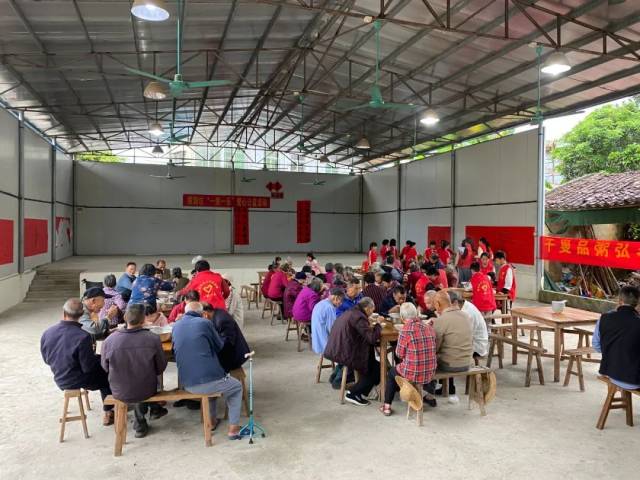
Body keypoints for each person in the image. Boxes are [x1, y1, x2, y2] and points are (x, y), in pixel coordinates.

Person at [172, 302, 243, 439]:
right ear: (202, 313)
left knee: (211, 383)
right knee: (236, 387)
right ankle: (234, 428)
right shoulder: (205, 323)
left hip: (187, 383)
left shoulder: (176, 325)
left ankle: (212, 420)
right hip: (208, 381)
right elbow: (219, 346)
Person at [41, 298, 114, 426]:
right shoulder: (83, 336)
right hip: (78, 379)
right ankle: (109, 410)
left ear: (64, 313)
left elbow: (47, 360)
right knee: (107, 373)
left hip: (59, 377)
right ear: (81, 315)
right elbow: (88, 368)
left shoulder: (47, 333)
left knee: (100, 361)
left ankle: (110, 408)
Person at [101, 304, 168, 438]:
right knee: (141, 383)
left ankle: (146, 418)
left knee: (135, 383)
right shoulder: (153, 338)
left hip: (118, 389)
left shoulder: (109, 340)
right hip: (146, 389)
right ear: (143, 320)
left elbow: (105, 367)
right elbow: (161, 367)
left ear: (125, 318)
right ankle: (142, 421)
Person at [381, 302, 437, 415]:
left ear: (402, 318)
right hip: (431, 372)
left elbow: (399, 354)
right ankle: (428, 395)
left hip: (414, 373)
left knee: (392, 372)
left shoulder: (405, 330)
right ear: (417, 314)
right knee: (422, 362)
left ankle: (387, 406)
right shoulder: (428, 327)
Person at [323, 298, 381, 406]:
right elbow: (372, 338)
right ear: (367, 308)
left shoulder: (353, 311)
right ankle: (353, 393)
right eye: (372, 310)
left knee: (375, 364)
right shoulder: (359, 317)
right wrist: (378, 325)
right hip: (344, 352)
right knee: (377, 368)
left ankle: (362, 391)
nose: (372, 312)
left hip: (338, 347)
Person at [427, 291, 473, 404]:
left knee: (426, 358)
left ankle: (428, 394)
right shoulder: (466, 315)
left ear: (438, 304)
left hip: (451, 365)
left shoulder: (442, 320)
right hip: (467, 362)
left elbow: (434, 348)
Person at [593, 286, 640, 390]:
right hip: (634, 380)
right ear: (637, 303)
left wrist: (613, 354)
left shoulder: (604, 318)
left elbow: (596, 346)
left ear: (619, 301)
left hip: (610, 373)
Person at [205, 304, 251, 373]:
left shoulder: (221, 321)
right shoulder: (216, 312)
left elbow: (227, 344)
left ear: (205, 314)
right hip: (231, 352)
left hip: (233, 356)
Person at [448, 291, 489, 360]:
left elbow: (464, 337)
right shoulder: (464, 305)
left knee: (445, 350)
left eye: (447, 305)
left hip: (477, 347)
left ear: (455, 303)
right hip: (471, 341)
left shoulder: (467, 313)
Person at [311, 288, 345, 355]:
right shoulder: (330, 308)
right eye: (340, 301)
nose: (341, 304)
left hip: (316, 342)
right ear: (336, 298)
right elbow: (332, 329)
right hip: (324, 344)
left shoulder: (321, 303)